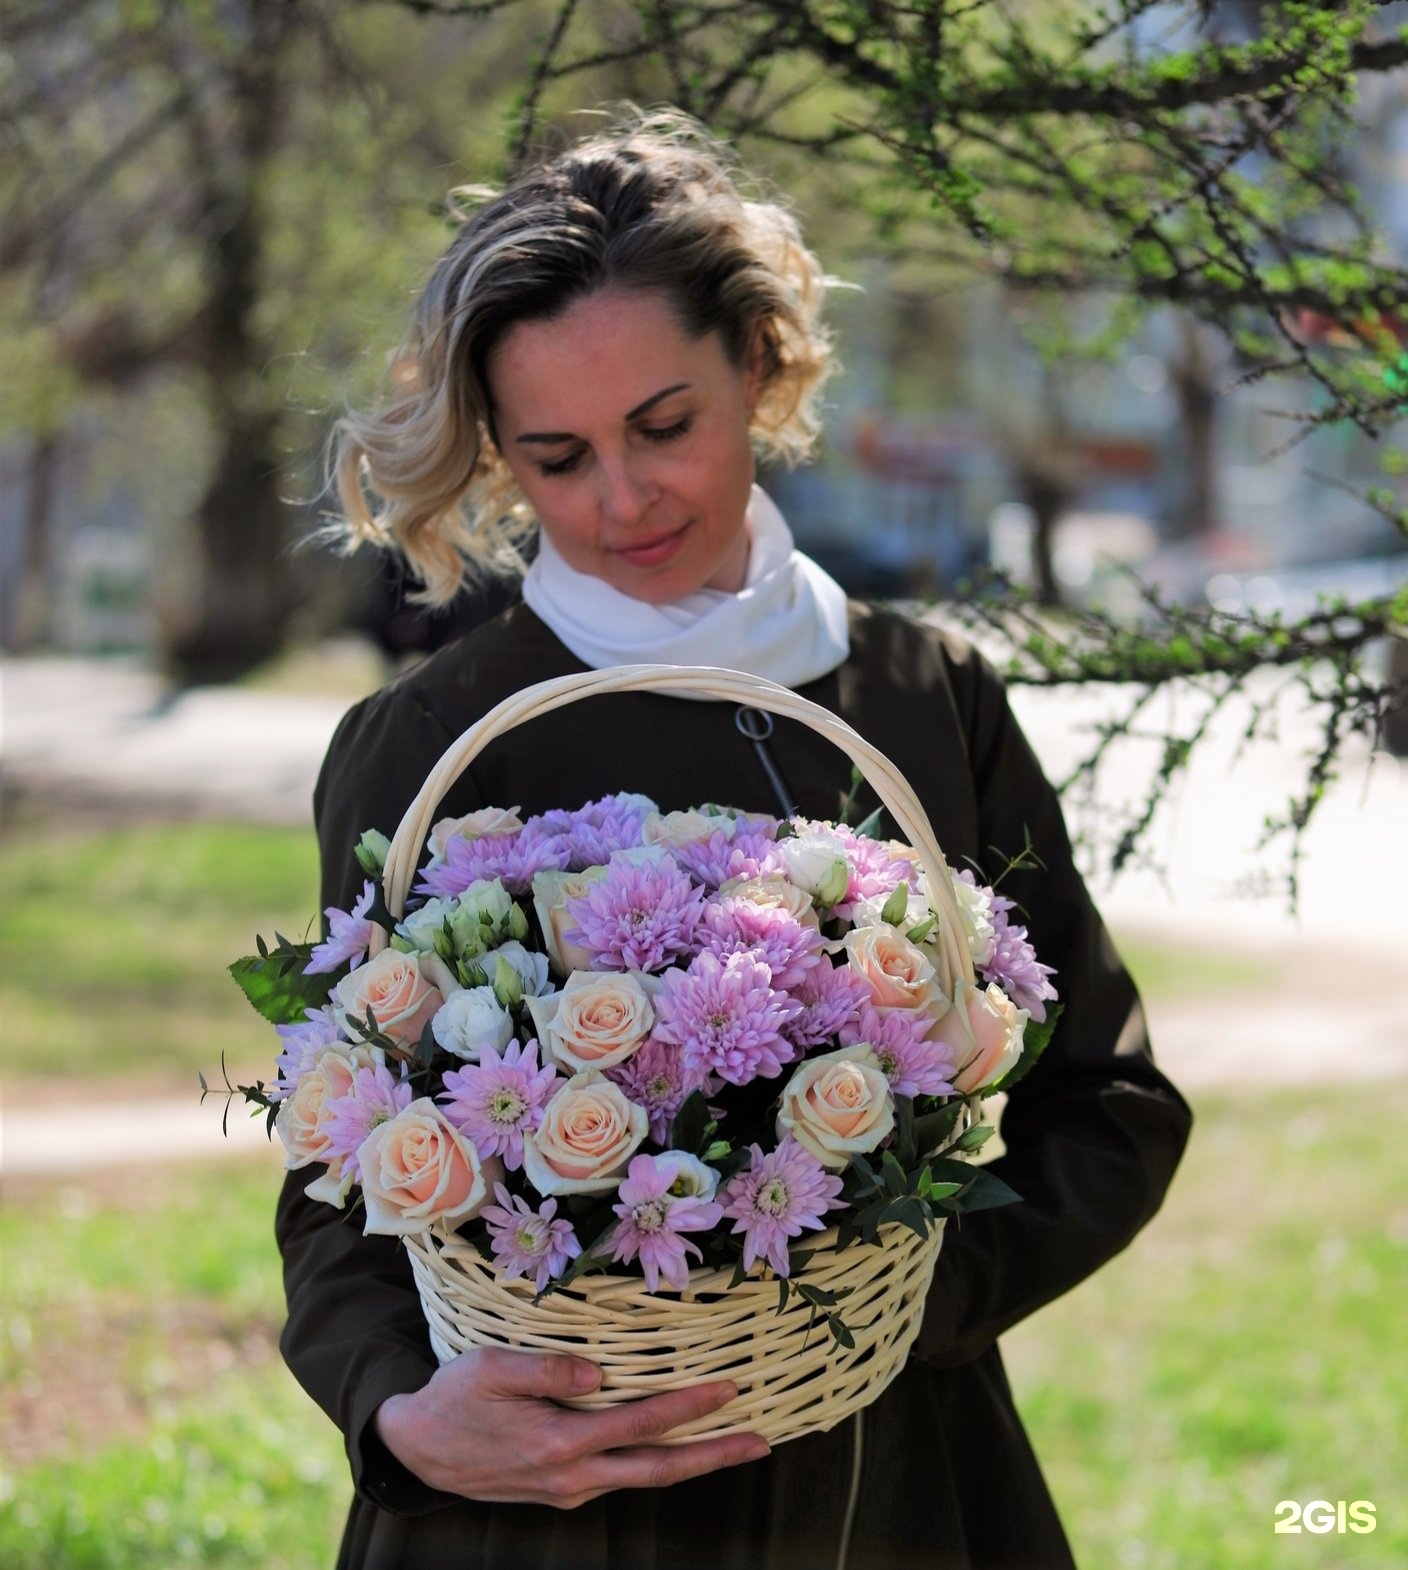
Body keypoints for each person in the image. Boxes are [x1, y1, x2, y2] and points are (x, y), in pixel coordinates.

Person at [278, 109, 1193, 1570]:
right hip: (537, 1514)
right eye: (558, 456)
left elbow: (1115, 1103)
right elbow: (334, 1170)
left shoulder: (919, 694)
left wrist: (884, 1298)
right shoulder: (425, 737)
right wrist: (397, 1411)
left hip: (889, 1488)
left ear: (757, 365)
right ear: (501, 455)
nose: (622, 499)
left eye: (663, 426)